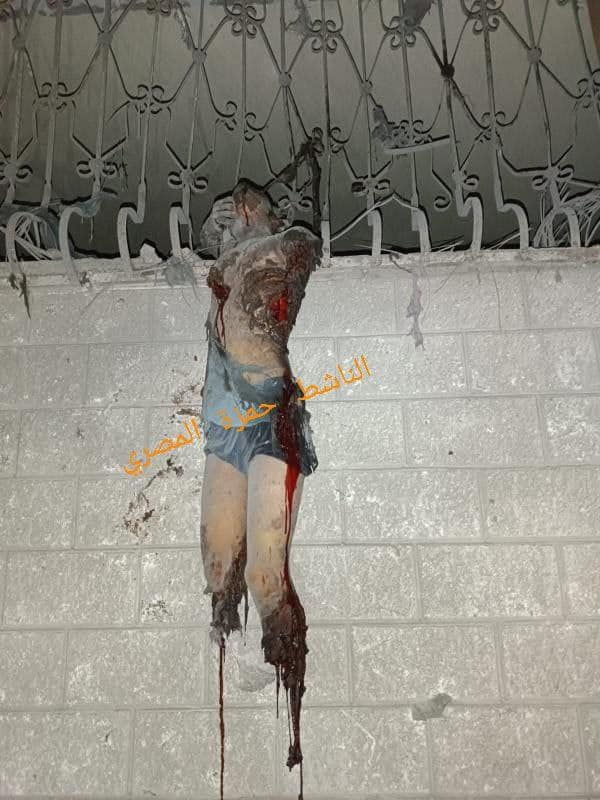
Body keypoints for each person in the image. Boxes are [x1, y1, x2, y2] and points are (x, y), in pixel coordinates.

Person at [198, 178, 321, 778]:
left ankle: (288, 683)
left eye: (251, 208)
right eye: (235, 212)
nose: (241, 212)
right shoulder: (224, 267)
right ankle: (233, 659)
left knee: (264, 573)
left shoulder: (285, 250)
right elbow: (220, 260)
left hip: (270, 418)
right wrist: (218, 237)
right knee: (217, 569)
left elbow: (299, 250)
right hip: (224, 427)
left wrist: (245, 235)